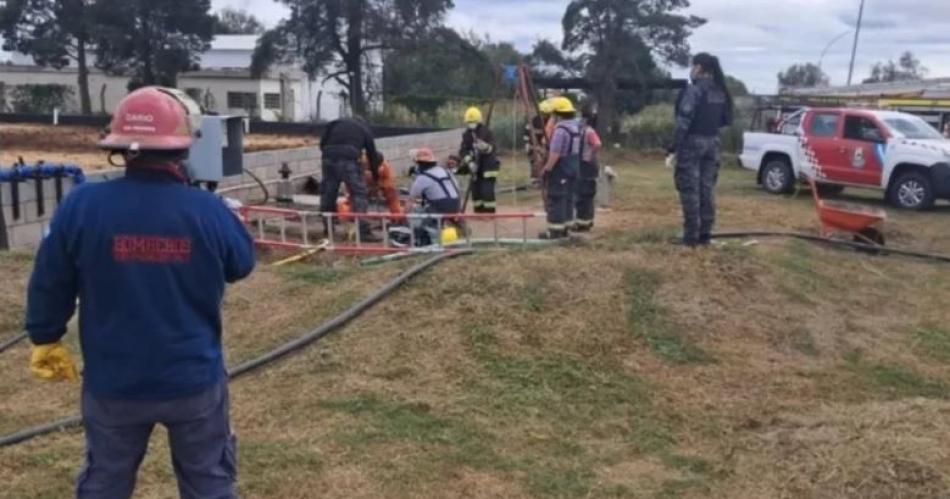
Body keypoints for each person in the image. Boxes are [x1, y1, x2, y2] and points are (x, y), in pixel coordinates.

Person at [25, 87, 256, 498]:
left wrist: (45, 336)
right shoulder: (207, 210)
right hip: (192, 380)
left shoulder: (81, 205)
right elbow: (242, 264)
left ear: (120, 147)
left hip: (114, 382)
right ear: (184, 146)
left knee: (106, 481)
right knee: (209, 481)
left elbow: (50, 280)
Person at [667, 52, 734, 247]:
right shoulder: (720, 91)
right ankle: (705, 233)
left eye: (693, 66)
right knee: (707, 188)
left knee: (689, 189)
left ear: (698, 68)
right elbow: (725, 120)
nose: (691, 70)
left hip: (692, 144)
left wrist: (673, 147)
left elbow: (683, 122)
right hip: (713, 143)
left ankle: (690, 236)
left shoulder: (694, 90)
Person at [319, 116, 382, 240]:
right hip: (349, 158)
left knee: (328, 193)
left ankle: (328, 229)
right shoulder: (365, 130)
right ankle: (363, 232)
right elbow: (372, 155)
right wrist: (375, 177)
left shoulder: (335, 122)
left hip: (328, 156)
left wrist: (332, 154)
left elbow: (322, 144)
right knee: (359, 193)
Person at [398, 148, 461, 246]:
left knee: (417, 211)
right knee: (425, 204)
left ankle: (423, 237)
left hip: (440, 207)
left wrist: (403, 217)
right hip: (456, 204)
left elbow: (411, 200)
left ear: (419, 164)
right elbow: (456, 187)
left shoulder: (422, 178)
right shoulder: (445, 171)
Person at [539, 96, 582, 240]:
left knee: (556, 198)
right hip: (573, 167)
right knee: (568, 198)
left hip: (560, 169)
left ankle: (555, 231)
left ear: (557, 114)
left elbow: (555, 153)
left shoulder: (560, 130)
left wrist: (547, 168)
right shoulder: (575, 127)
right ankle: (566, 228)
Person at [456, 107, 500, 213]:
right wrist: (470, 162)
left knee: (487, 190)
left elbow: (493, 148)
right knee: (476, 191)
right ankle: (478, 211)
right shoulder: (466, 134)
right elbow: (463, 150)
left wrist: (485, 147)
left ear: (478, 121)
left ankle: (489, 212)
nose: (471, 124)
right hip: (475, 167)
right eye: (469, 122)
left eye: (473, 122)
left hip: (488, 167)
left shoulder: (486, 132)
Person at [338, 151, 403, 217]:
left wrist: (380, 186)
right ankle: (351, 213)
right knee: (355, 198)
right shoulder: (358, 164)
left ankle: (397, 216)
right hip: (360, 185)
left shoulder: (385, 167)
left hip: (378, 185)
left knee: (391, 192)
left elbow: (390, 182)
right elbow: (351, 180)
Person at [573, 108, 603, 232]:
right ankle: (585, 221)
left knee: (584, 195)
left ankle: (584, 223)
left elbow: (597, 144)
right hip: (583, 165)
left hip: (587, 166)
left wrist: (590, 155)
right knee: (583, 195)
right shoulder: (582, 130)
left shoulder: (588, 131)